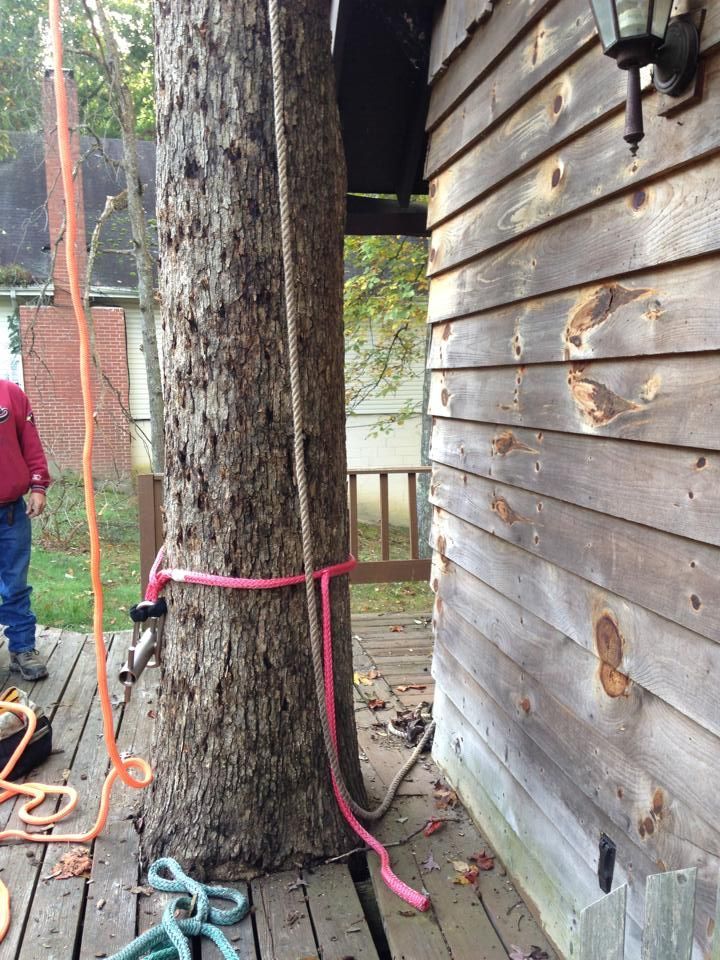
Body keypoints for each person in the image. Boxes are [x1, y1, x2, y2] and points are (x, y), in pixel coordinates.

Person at [0, 379, 51, 680]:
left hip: (9, 514)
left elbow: (30, 443)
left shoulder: (9, 393)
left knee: (15, 584)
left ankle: (22, 649)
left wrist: (38, 485)